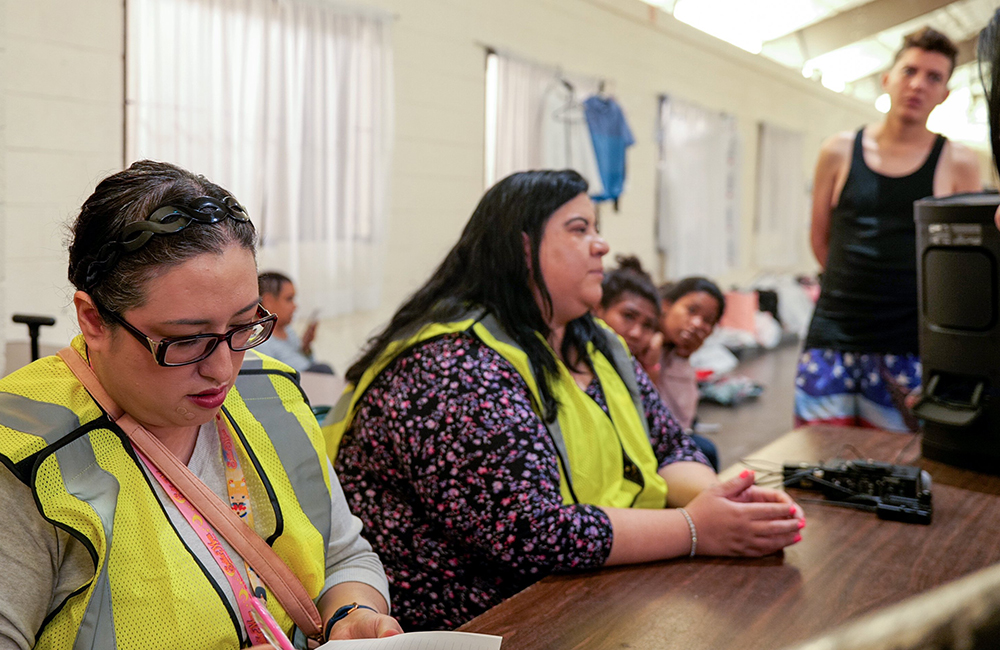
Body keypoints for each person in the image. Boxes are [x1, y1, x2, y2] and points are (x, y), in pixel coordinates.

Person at [324, 170, 805, 631]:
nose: (602, 245)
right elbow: (530, 532)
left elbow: (668, 444)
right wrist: (695, 529)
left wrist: (724, 505)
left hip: (588, 588)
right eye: (580, 229)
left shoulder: (591, 340)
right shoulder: (451, 364)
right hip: (479, 621)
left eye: (597, 228)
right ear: (523, 246)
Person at [0, 161, 402, 649]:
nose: (223, 370)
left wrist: (351, 612)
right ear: (93, 321)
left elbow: (344, 554)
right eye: (187, 340)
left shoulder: (272, 396)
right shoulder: (23, 458)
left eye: (244, 325)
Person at [798, 27, 982, 432]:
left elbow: (966, 263)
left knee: (899, 471)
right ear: (888, 78)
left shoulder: (959, 162)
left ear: (945, 93)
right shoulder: (838, 150)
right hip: (834, 336)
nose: (918, 84)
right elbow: (820, 238)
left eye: (934, 77)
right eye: (910, 71)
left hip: (910, 344)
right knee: (817, 465)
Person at [655, 277, 727, 471]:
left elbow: (682, 420)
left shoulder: (674, 353)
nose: (697, 323)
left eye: (708, 321)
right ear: (666, 305)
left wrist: (682, 357)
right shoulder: (647, 344)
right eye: (692, 310)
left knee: (705, 450)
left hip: (668, 436)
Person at [595, 254, 662, 375]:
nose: (636, 334)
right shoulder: (577, 365)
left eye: (647, 325)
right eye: (628, 316)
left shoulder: (634, 372)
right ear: (598, 309)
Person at [257, 271, 334, 375]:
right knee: (324, 369)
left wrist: (306, 346)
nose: (295, 306)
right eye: (289, 299)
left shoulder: (287, 330)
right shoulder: (260, 341)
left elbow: (307, 362)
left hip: (310, 377)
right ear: (268, 301)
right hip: (295, 384)